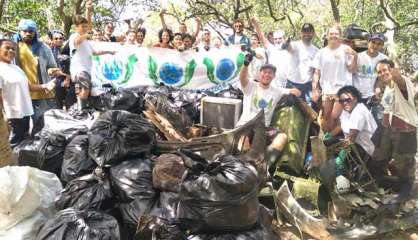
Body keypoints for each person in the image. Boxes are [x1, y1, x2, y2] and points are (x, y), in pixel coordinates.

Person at [237, 53, 301, 177]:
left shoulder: (277, 90)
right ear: (259, 74)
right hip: (246, 126)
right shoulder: (251, 86)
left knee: (282, 137)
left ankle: (263, 166)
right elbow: (242, 78)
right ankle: (250, 169)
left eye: (270, 73)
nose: (266, 75)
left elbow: (296, 91)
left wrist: (293, 95)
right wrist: (245, 64)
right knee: (243, 144)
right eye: (264, 72)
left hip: (264, 129)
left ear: (273, 76)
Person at [369, 59, 418, 201]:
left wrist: (395, 73)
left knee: (404, 162)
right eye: (380, 72)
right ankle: (385, 182)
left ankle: (406, 190)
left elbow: (400, 81)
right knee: (379, 156)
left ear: (392, 69)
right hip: (388, 129)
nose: (383, 73)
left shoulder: (404, 82)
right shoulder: (388, 88)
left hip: (405, 129)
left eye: (386, 70)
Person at [13, 19, 62, 134]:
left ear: (35, 32)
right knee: (20, 130)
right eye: (24, 31)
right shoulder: (13, 47)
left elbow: (51, 66)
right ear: (19, 31)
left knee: (41, 129)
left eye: (31, 31)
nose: (28, 33)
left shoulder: (43, 47)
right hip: (20, 95)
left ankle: (37, 150)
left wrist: (52, 71)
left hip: (41, 95)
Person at [311, 24, 358, 132]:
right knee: (326, 117)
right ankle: (327, 142)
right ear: (327, 35)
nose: (333, 36)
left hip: (343, 90)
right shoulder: (321, 52)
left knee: (335, 116)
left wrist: (355, 55)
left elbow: (352, 70)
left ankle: (335, 140)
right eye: (331, 33)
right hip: (327, 90)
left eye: (336, 34)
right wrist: (314, 90)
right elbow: (316, 72)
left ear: (340, 36)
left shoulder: (346, 50)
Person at [69, 15, 114, 109]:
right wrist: (87, 35)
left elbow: (95, 52)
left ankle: (79, 109)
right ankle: (82, 109)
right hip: (80, 70)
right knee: (85, 89)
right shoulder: (75, 36)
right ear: (76, 27)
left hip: (87, 70)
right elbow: (77, 42)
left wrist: (109, 52)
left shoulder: (86, 42)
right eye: (83, 26)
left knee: (81, 91)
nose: (85, 28)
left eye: (86, 26)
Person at [0, 39, 34, 148]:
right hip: (13, 115)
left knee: (23, 142)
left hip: (25, 111)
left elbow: (28, 87)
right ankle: (10, 164)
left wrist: (46, 86)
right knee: (13, 143)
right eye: (7, 48)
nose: (11, 51)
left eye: (13, 49)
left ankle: (21, 163)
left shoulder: (16, 68)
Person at [251, 17, 292, 88]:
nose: (278, 40)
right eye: (275, 39)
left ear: (283, 39)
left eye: (280, 38)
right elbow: (261, 36)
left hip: (286, 85)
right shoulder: (271, 49)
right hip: (271, 85)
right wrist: (256, 24)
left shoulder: (289, 51)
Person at [285, 23, 319, 102]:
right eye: (304, 32)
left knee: (308, 110)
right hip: (292, 84)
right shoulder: (295, 45)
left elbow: (315, 72)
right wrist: (286, 44)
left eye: (309, 32)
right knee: (291, 109)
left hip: (308, 86)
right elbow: (289, 48)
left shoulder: (316, 51)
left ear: (313, 33)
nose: (306, 34)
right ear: (301, 33)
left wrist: (315, 89)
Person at [354, 33, 387, 104]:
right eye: (373, 42)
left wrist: (378, 90)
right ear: (368, 42)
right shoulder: (358, 56)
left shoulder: (384, 58)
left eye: (379, 44)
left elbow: (381, 78)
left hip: (372, 97)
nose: (375, 46)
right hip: (356, 95)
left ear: (382, 46)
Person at [49, 29, 74, 109]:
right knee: (57, 105)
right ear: (52, 40)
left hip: (69, 81)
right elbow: (50, 69)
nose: (58, 40)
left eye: (60, 38)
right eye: (56, 39)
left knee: (70, 104)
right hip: (55, 82)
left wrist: (67, 77)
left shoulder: (68, 50)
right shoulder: (48, 52)